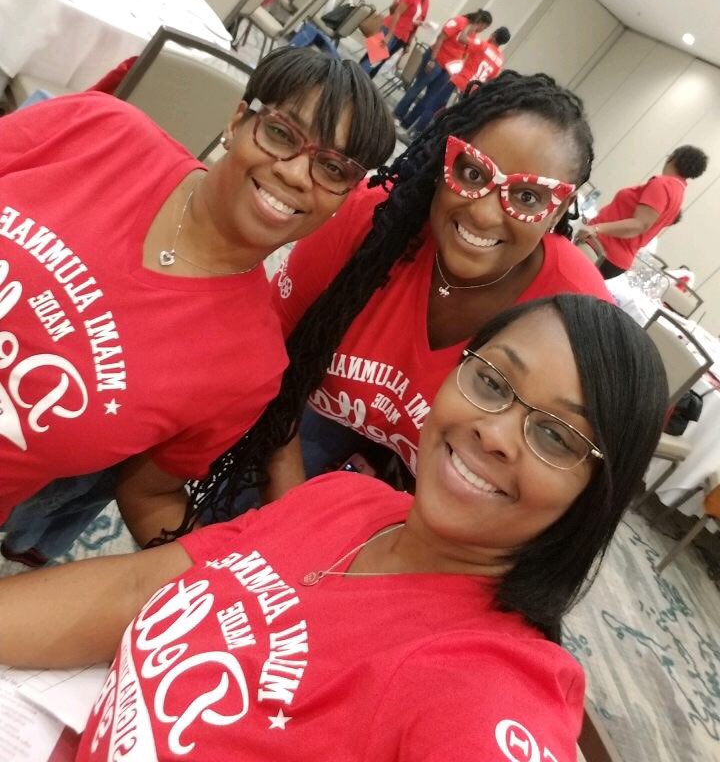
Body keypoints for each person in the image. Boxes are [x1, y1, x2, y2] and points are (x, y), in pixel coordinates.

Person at [0, 295, 668, 761]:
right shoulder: (348, 501)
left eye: (555, 435)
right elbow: (142, 585)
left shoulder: (485, 687)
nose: (494, 433)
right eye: (492, 381)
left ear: (593, 496)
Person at [0, 48, 395, 567]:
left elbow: (149, 494)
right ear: (238, 120)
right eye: (281, 133)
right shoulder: (101, 131)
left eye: (331, 168)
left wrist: (251, 569)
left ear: (345, 196)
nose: (298, 173)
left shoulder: (248, 367)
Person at [181, 71, 612, 525]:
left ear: (561, 210)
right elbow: (269, 361)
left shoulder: (573, 313)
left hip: (458, 482)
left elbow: (538, 506)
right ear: (441, 160)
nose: (485, 212)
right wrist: (291, 520)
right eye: (470, 172)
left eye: (527, 197)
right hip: (306, 415)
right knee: (227, 528)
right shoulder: (373, 221)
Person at [576, 145, 708, 280]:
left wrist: (596, 228)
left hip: (603, 249)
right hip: (613, 255)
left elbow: (639, 225)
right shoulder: (678, 193)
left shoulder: (663, 185)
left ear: (673, 158)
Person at [404, 26, 512, 138]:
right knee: (451, 116)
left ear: (494, 35)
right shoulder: (500, 60)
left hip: (459, 82)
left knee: (434, 106)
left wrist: (468, 27)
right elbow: (491, 79)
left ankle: (416, 133)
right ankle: (431, 138)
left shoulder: (483, 45)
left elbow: (462, 38)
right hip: (473, 91)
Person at [394, 9, 492, 125]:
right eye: (484, 27)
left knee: (430, 97)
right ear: (480, 22)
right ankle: (398, 114)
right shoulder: (459, 22)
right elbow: (441, 38)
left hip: (448, 68)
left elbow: (466, 51)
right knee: (418, 87)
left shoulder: (473, 34)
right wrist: (432, 60)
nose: (482, 30)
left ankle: (408, 122)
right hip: (436, 60)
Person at [359, 0, 439, 78]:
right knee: (371, 59)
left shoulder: (422, 1)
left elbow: (410, 19)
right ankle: (353, 79)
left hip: (400, 35)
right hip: (390, 31)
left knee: (375, 61)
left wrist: (415, 31)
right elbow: (397, 13)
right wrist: (388, 36)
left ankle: (357, 81)